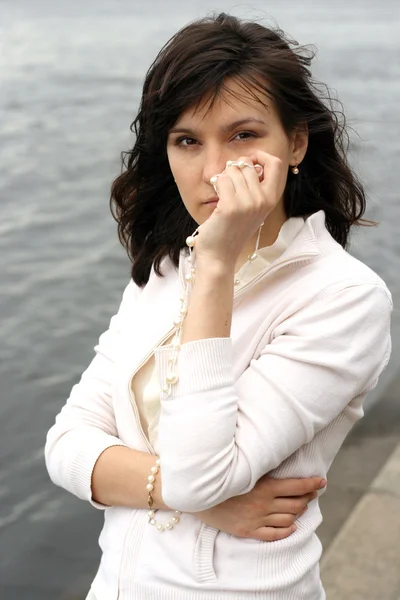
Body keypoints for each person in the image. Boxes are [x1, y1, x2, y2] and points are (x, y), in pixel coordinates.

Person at [45, 12, 392, 600]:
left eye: (243, 135)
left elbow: (201, 475)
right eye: (187, 141)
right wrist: (178, 493)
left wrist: (214, 270)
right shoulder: (165, 268)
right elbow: (66, 445)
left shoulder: (343, 298)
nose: (212, 171)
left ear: (297, 142)